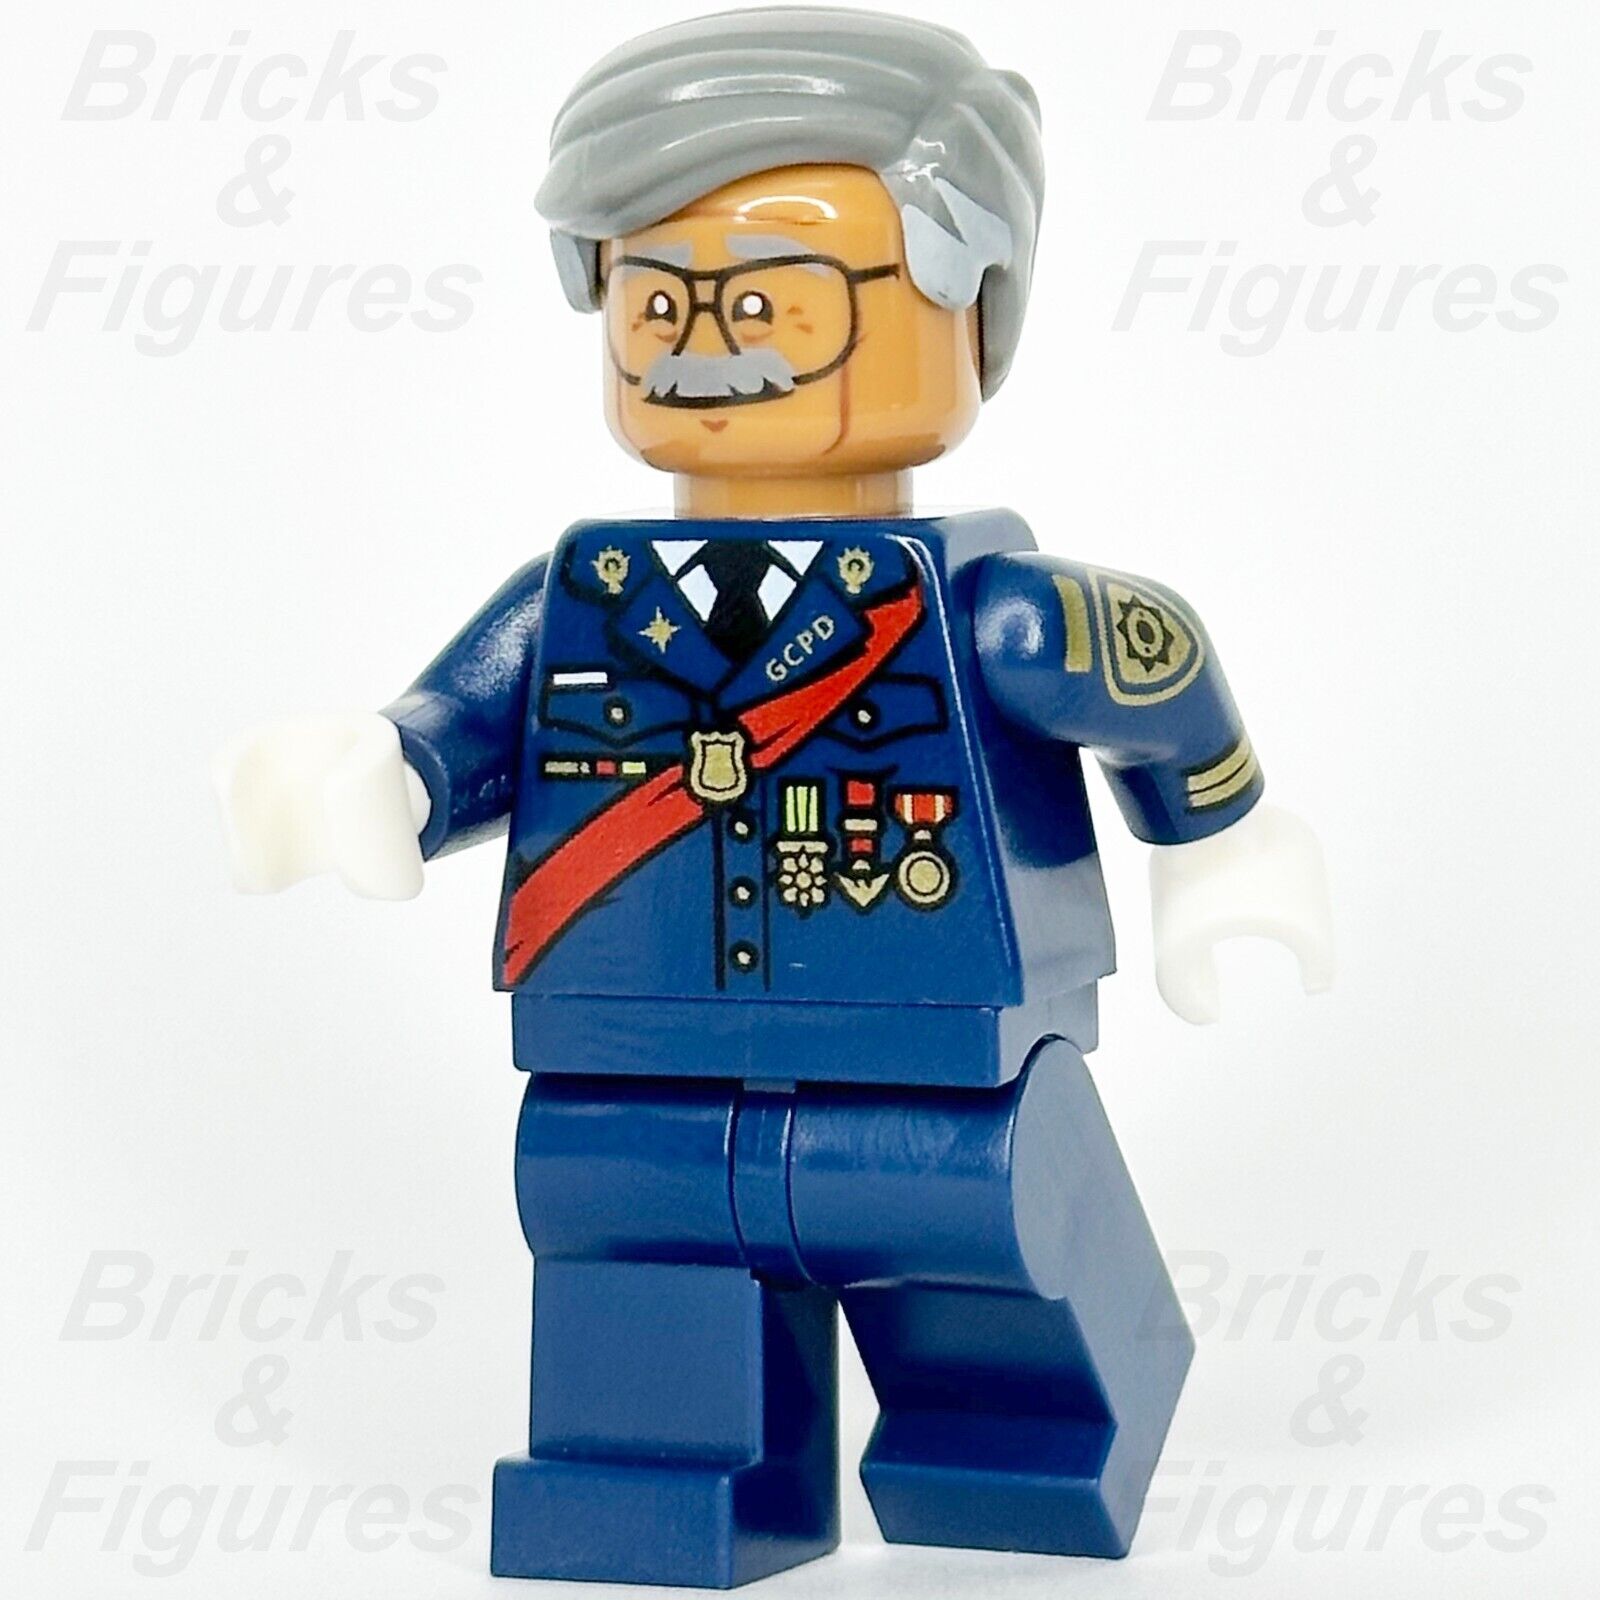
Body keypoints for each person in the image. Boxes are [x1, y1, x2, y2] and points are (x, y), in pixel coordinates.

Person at [215, 8, 1334, 1588]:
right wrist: (383, 768)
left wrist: (1222, 846)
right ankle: (664, 1471)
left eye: (775, 298)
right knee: (628, 1236)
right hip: (626, 1049)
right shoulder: (580, 598)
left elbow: (1154, 672)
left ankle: (1010, 1442)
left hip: (929, 1048)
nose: (702, 344)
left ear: (971, 305)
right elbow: (467, 721)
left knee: (979, 1238)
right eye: (654, 297)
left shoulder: (993, 612)